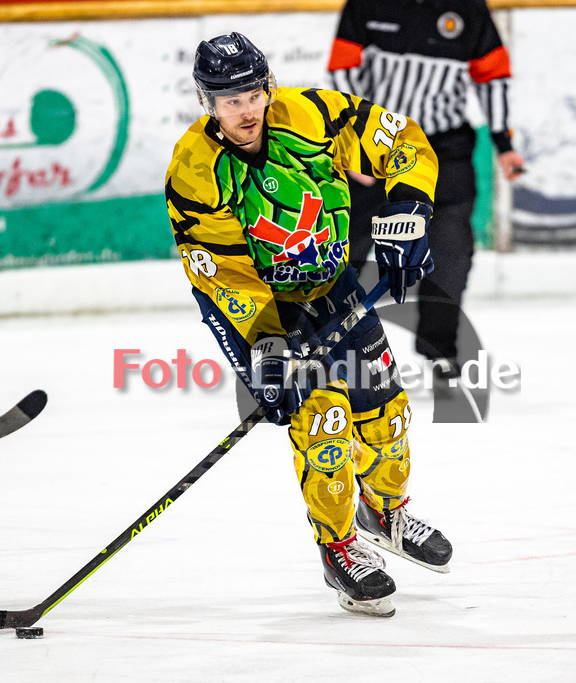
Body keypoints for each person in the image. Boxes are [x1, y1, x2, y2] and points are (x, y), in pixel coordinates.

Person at [166, 32, 452, 617]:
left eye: (253, 94)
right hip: (265, 307)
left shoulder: (313, 114)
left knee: (388, 415)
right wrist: (268, 347)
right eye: (230, 101)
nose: (246, 110)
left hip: (335, 284)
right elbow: (221, 274)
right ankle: (338, 548)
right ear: (207, 102)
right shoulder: (195, 170)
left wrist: (410, 207)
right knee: (324, 426)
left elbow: (401, 139)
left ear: (268, 87)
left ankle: (386, 513)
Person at [328, 0, 525, 388]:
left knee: (451, 250)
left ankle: (439, 347)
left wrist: (504, 144)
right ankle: (328, 342)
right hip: (377, 145)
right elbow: (342, 69)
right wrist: (353, 141)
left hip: (443, 149)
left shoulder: (468, 9)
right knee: (342, 248)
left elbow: (492, 76)